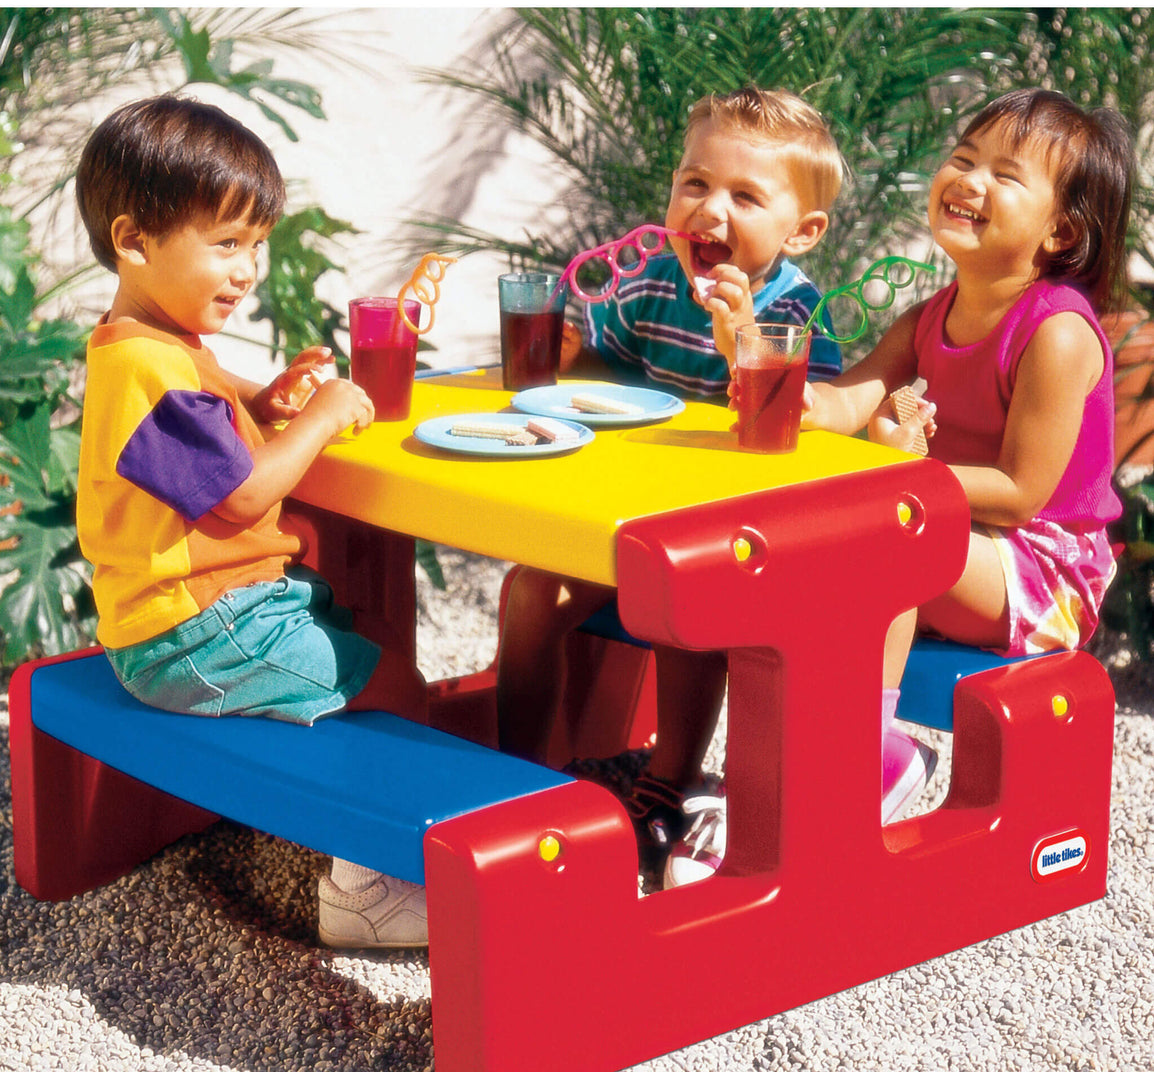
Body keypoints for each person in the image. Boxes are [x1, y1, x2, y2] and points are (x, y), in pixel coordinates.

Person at [74, 94, 428, 950]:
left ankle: (379, 828)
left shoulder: (151, 342)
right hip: (193, 633)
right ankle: (365, 889)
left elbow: (205, 430)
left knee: (362, 631)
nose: (248, 271)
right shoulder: (149, 370)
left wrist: (266, 401)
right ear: (134, 241)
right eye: (226, 245)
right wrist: (322, 415)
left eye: (256, 247)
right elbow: (239, 496)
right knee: (394, 688)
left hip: (195, 616)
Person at [496, 87, 846, 886]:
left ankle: (671, 782)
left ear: (803, 231)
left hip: (731, 537)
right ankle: (518, 777)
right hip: (625, 516)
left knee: (680, 605)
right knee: (527, 591)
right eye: (695, 184)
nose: (709, 210)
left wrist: (744, 339)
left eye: (745, 196)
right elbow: (599, 378)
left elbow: (803, 430)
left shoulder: (796, 310)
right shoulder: (652, 280)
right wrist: (567, 347)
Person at [798, 88, 1131, 844]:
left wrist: (903, 474)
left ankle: (879, 756)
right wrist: (772, 378)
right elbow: (844, 404)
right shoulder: (928, 315)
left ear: (1062, 230)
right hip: (954, 531)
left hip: (1046, 570)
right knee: (821, 548)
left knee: (889, 533)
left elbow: (1019, 494)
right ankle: (789, 765)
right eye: (964, 158)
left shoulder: (1057, 334)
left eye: (1005, 175)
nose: (969, 179)